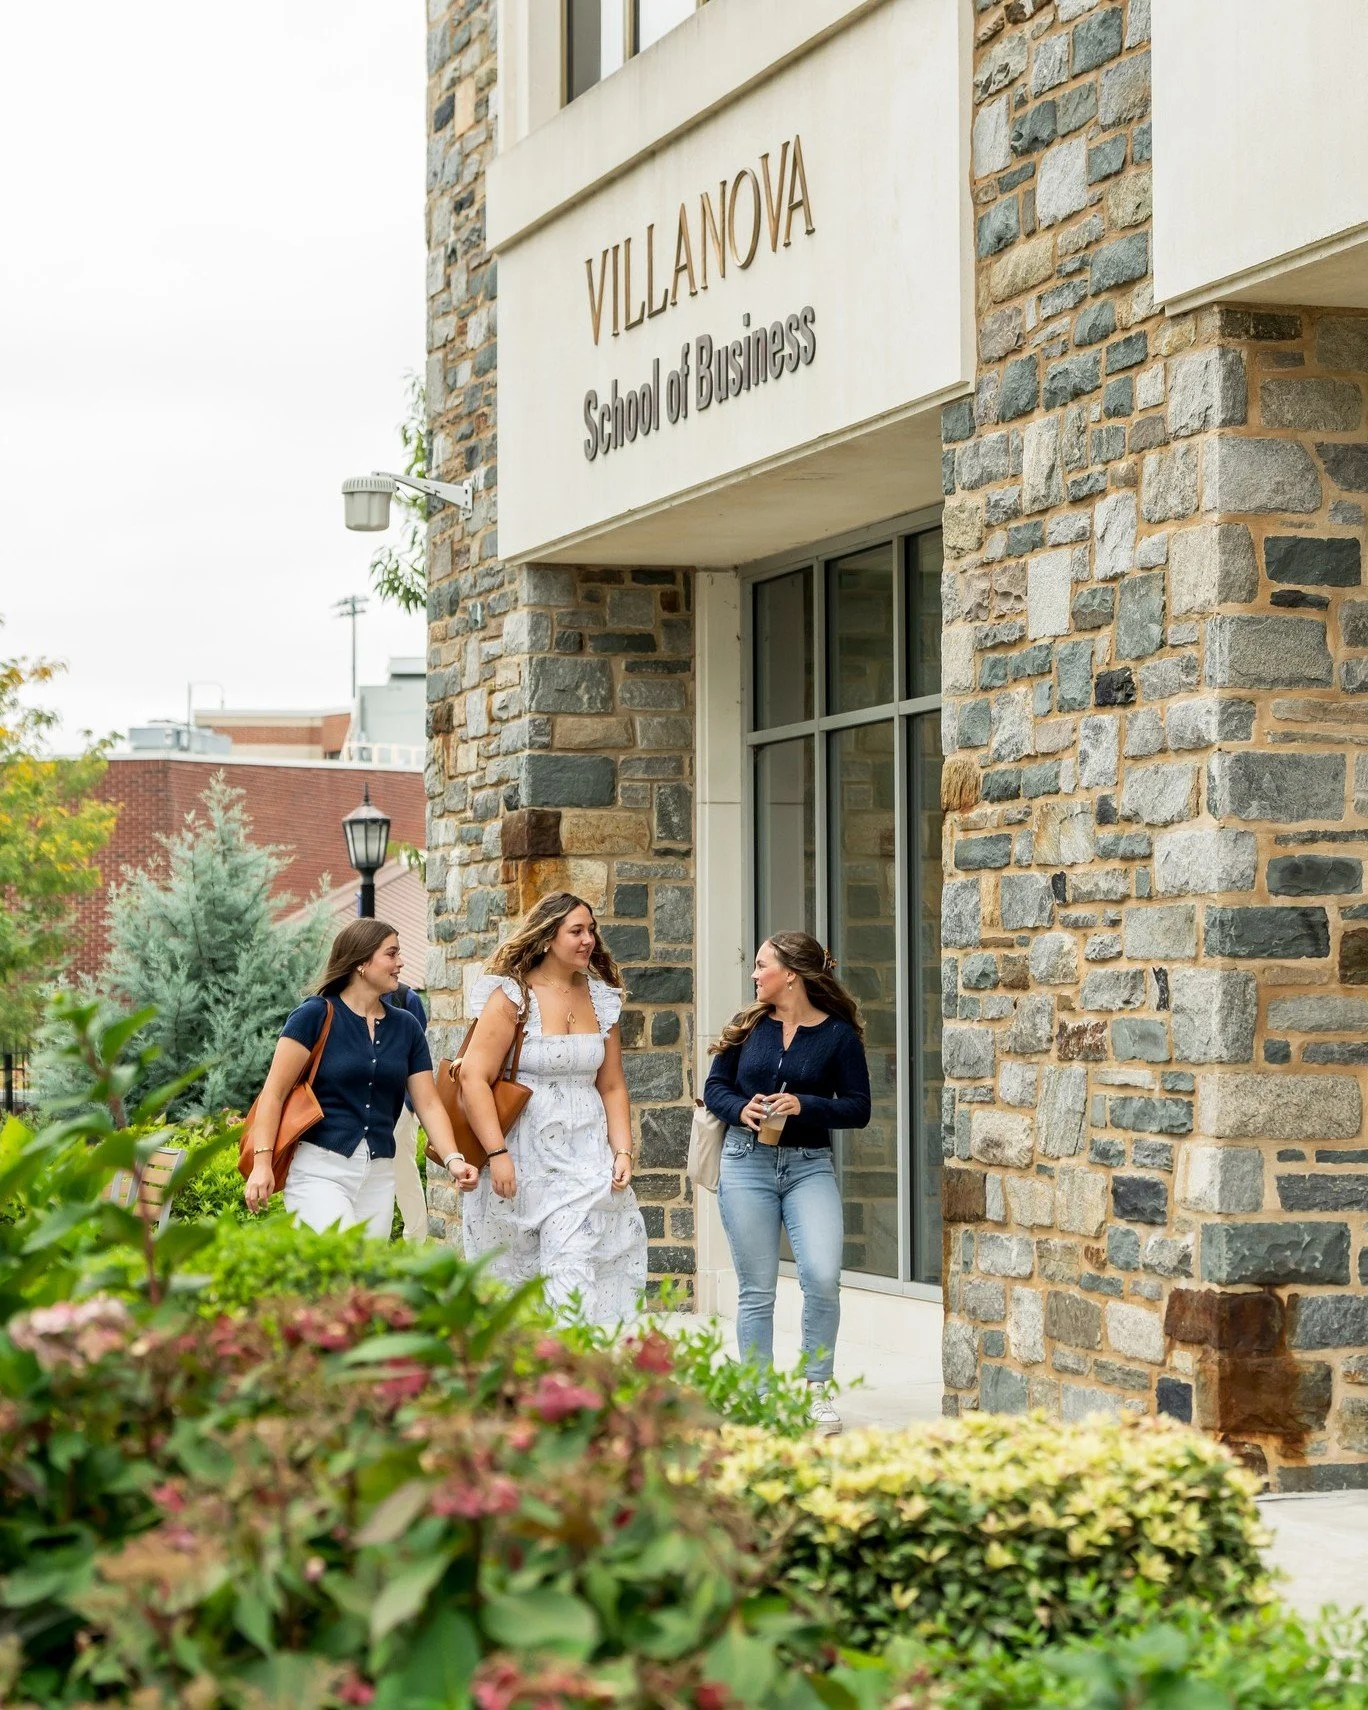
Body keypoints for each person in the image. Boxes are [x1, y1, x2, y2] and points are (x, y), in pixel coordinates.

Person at [704, 931, 871, 1435]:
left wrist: (807, 1104)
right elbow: (715, 1088)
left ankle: (816, 1387)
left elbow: (859, 1108)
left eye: (762, 966)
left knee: (821, 1276)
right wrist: (742, 1108)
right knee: (756, 1290)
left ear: (791, 975)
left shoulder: (838, 1035)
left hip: (808, 1166)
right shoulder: (746, 1026)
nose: (754, 975)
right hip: (745, 1163)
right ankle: (757, 1395)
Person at [459, 890, 647, 1325]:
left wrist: (622, 1150)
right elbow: (473, 1078)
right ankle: (534, 1379)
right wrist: (496, 1154)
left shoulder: (602, 1000)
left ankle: (580, 1372)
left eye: (591, 930)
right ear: (547, 938)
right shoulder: (513, 997)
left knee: (574, 1268)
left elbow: (613, 1084)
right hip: (523, 1158)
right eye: (576, 931)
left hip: (586, 1160)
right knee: (514, 1283)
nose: (588, 940)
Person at [244, 919, 479, 1232]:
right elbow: (273, 1093)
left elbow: (429, 1103)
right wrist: (262, 1164)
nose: (401, 962)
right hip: (319, 1170)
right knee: (342, 1262)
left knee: (364, 1278)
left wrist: (453, 1159)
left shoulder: (406, 1026)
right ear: (361, 963)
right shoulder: (314, 1014)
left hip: (379, 1172)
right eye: (391, 954)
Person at [388, 978, 431, 1242]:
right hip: (360, 1109)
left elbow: (419, 1052)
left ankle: (416, 1242)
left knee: (404, 1176)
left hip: (400, 1107)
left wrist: (409, 1105)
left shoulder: (406, 998)